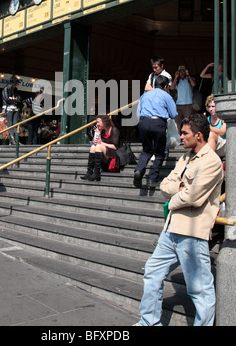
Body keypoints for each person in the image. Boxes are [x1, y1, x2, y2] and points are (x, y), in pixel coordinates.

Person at [136, 114, 223, 326]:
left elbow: (194, 196)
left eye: (185, 133)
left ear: (199, 135)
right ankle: (149, 322)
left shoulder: (212, 162)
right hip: (171, 229)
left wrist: (174, 200)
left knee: (199, 289)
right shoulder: (185, 158)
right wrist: (180, 190)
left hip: (192, 232)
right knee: (152, 272)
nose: (180, 137)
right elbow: (166, 185)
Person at [133, 75, 178, 189]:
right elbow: (174, 114)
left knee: (146, 150)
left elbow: (139, 112)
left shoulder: (144, 95)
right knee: (159, 152)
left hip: (143, 122)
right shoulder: (166, 96)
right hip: (158, 123)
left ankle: (139, 170)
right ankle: (152, 179)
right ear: (165, 87)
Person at [80, 115, 120, 182]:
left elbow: (115, 147)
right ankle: (89, 172)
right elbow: (96, 143)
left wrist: (101, 143)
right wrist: (98, 133)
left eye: (98, 122)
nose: (97, 124)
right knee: (93, 147)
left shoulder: (114, 129)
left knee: (98, 146)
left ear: (104, 122)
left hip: (113, 157)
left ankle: (96, 172)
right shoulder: (103, 131)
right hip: (104, 155)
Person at [170, 65, 196, 131]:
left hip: (188, 104)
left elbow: (194, 84)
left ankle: (187, 136)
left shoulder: (189, 79)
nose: (181, 73)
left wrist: (188, 75)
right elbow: (172, 87)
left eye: (183, 71)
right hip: (178, 104)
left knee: (187, 122)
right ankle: (178, 138)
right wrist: (176, 77)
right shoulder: (178, 81)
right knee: (177, 121)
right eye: (180, 71)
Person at [2, 76, 21, 144]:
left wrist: (13, 99)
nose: (17, 84)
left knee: (15, 124)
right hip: (8, 107)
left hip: (15, 107)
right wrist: (14, 99)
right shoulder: (6, 88)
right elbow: (6, 99)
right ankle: (13, 140)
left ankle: (16, 140)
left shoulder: (15, 89)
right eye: (17, 83)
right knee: (10, 124)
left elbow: (19, 98)